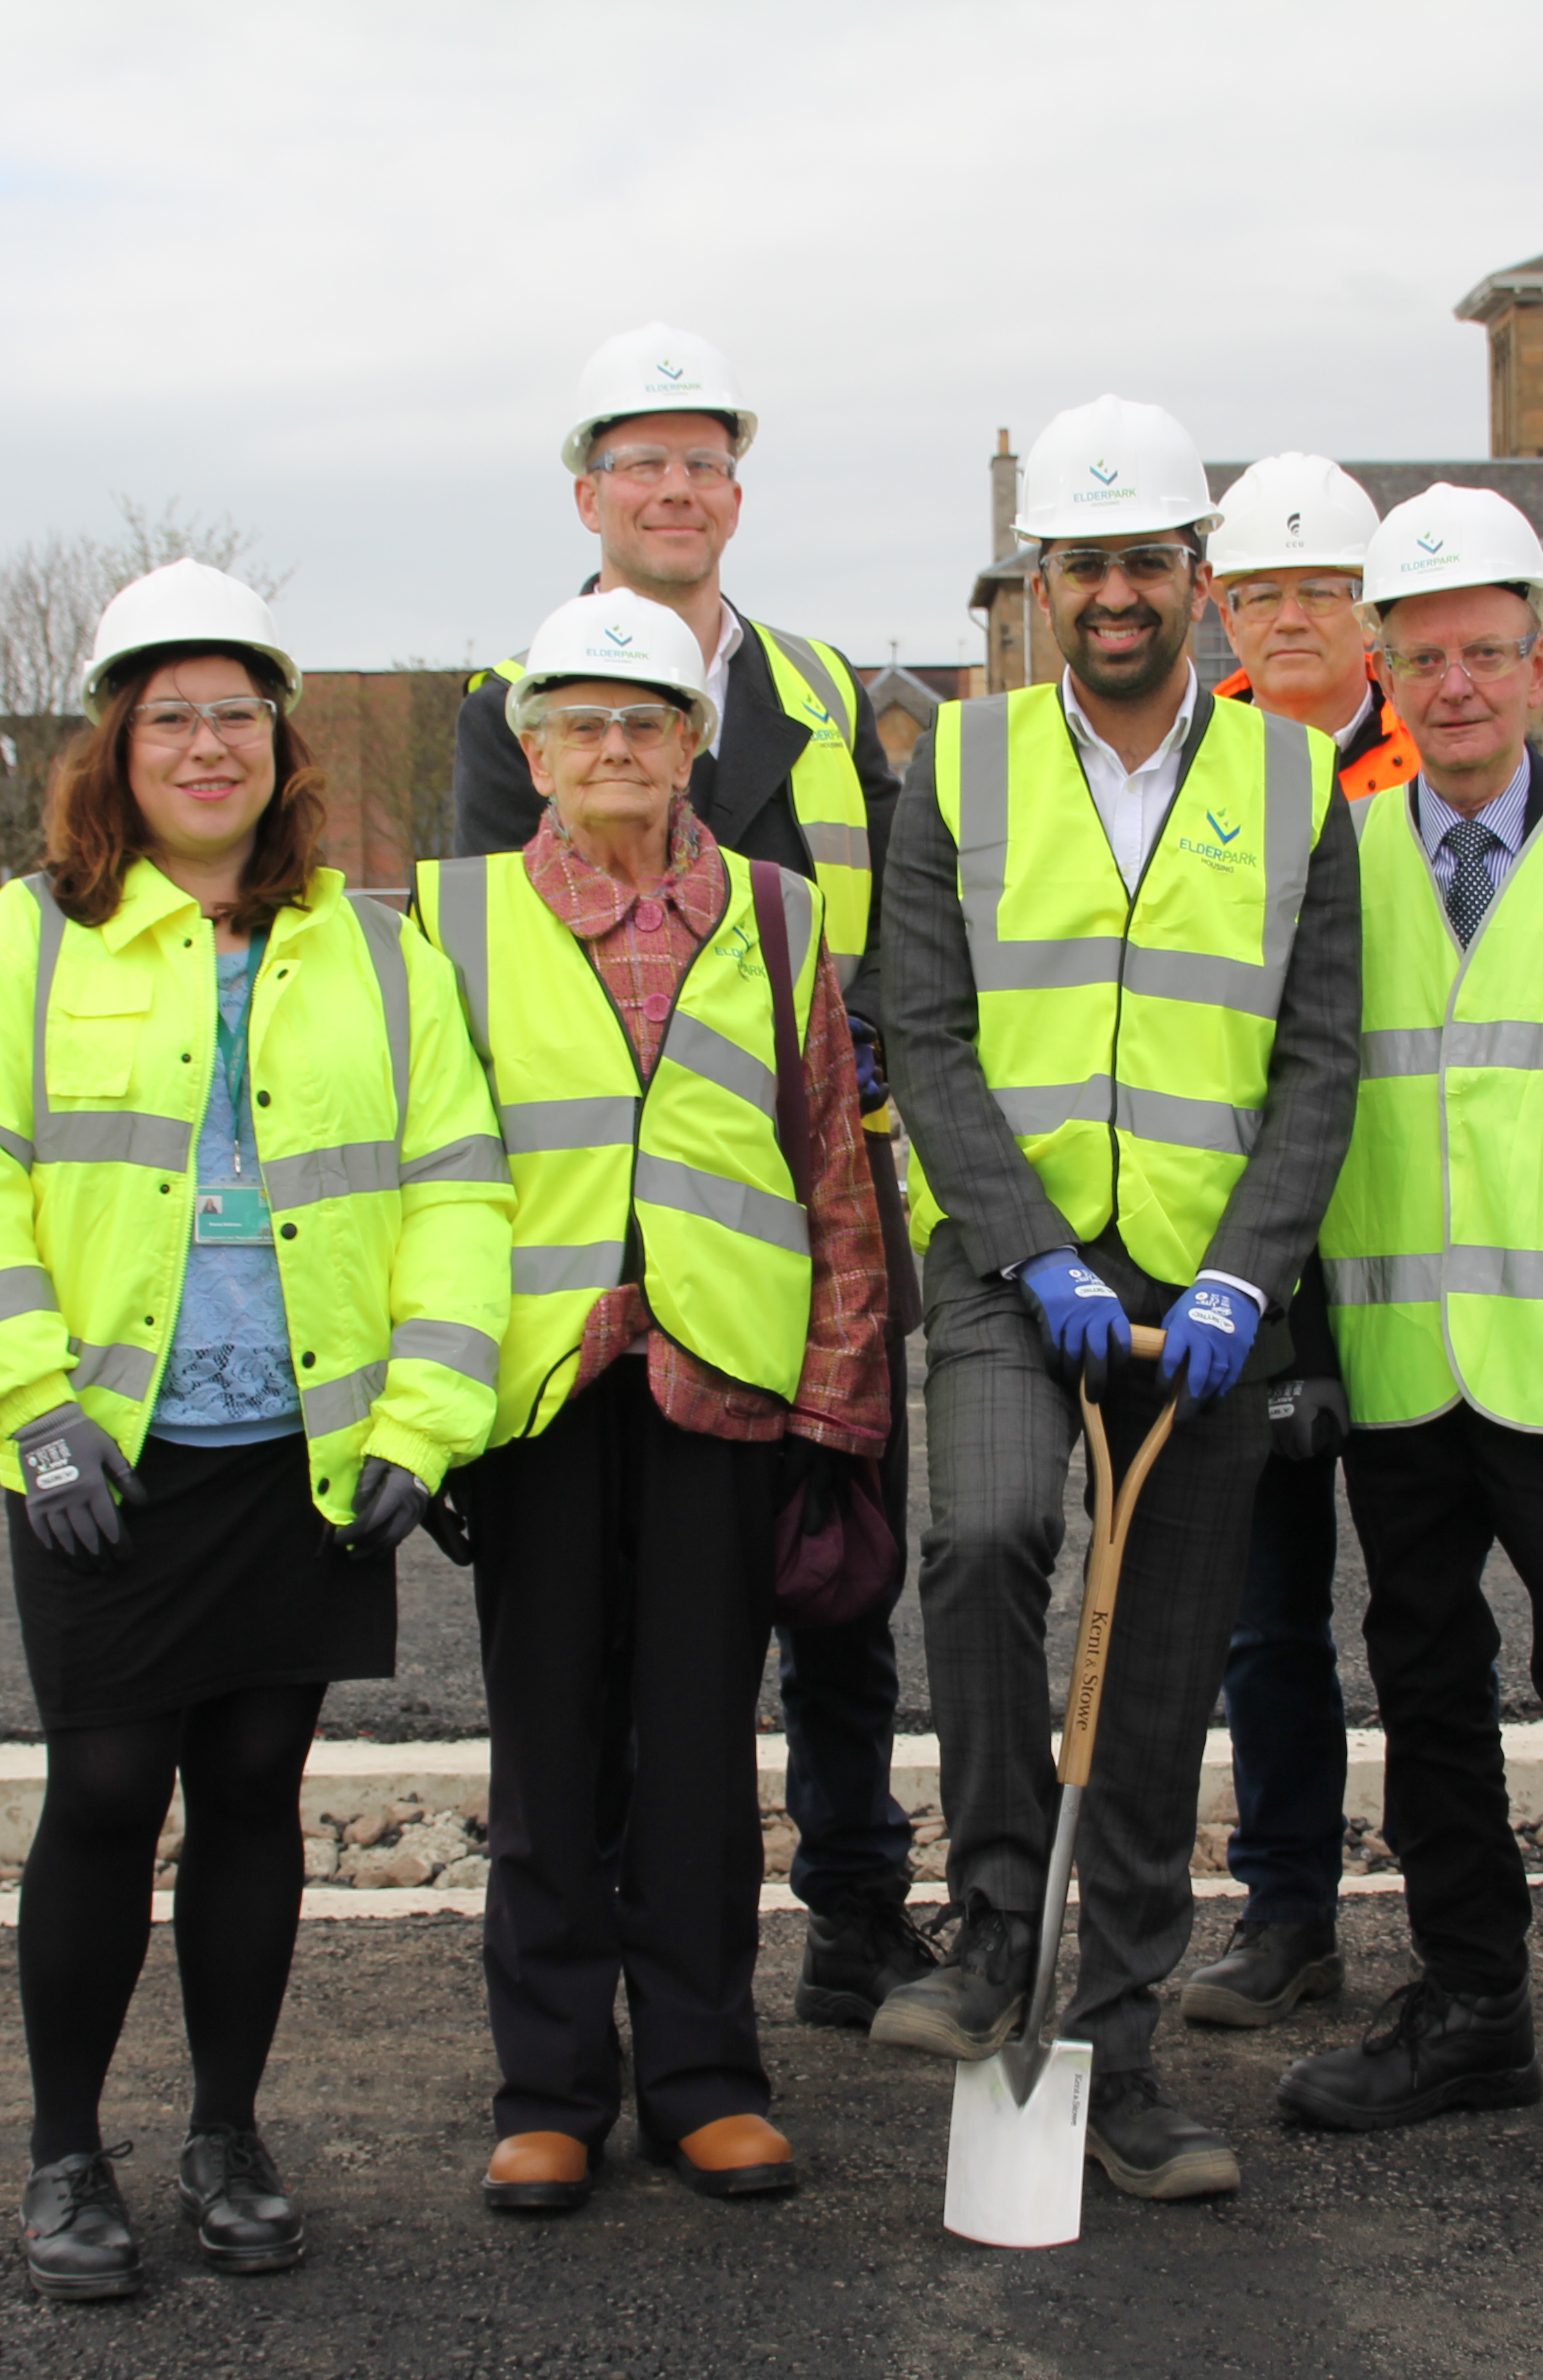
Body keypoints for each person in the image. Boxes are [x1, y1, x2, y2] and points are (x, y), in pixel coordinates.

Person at [0, 561, 512, 2299]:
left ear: (280, 741)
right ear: (116, 742)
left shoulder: (375, 957)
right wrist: (33, 1414)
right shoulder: (18, 949)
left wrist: (427, 1418)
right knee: (102, 1787)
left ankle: (228, 2133)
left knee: (257, 1787)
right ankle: (64, 2157)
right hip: (108, 1450)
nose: (207, 742)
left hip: (302, 1448)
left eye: (237, 710)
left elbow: (462, 1192)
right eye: (170, 713)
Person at [873, 395, 1359, 2202]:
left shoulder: (1294, 783)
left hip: (1210, 1283)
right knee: (989, 1539)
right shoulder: (964, 769)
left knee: (1162, 1661)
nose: (1116, 593)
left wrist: (1247, 1270)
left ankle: (1122, 2043)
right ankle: (999, 1930)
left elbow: (1323, 1063)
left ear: (1197, 579)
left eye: (1147, 559)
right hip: (1019, 1268)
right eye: (1084, 563)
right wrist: (1031, 1246)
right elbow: (922, 1035)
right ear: (1044, 584)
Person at [447, 324, 932, 2034]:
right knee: (597, 1675)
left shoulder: (824, 693)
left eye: (702, 461)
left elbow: (878, 929)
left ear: (737, 491)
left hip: (813, 1199)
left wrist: (845, 1109)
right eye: (640, 463)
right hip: (586, 1293)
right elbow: (501, 965)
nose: (674, 488)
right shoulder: (527, 694)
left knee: (834, 1586)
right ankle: (585, 2016)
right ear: (589, 494)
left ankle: (859, 1906)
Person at [1268, 488, 1543, 2181]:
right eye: (1423, 656)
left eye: (1485, 653)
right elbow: (1303, 1115)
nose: (1454, 685)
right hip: (1395, 1370)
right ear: (1381, 672)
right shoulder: (1337, 857)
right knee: (1428, 1697)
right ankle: (1471, 2011)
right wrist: (1308, 1347)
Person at [414, 590, 889, 2216]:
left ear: (697, 743)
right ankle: (549, 2088)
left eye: (649, 721)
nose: (617, 749)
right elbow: (421, 1171)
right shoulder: (451, 919)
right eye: (584, 724)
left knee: (697, 1745)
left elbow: (831, 1156)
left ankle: (703, 2080)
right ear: (531, 750)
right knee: (547, 1751)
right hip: (539, 1390)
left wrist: (841, 1401)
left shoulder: (775, 914)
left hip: (722, 1383)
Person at [1179, 453, 1421, 2031]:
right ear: (1220, 610)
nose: (1288, 621)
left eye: (1319, 593)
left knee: (1421, 1609)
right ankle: (1287, 1914)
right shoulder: (1197, 781)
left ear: (1371, 614)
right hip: (1252, 1263)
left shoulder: (1440, 769)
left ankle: (1462, 1934)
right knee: (1263, 1620)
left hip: (1411, 1262)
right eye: (1258, 594)